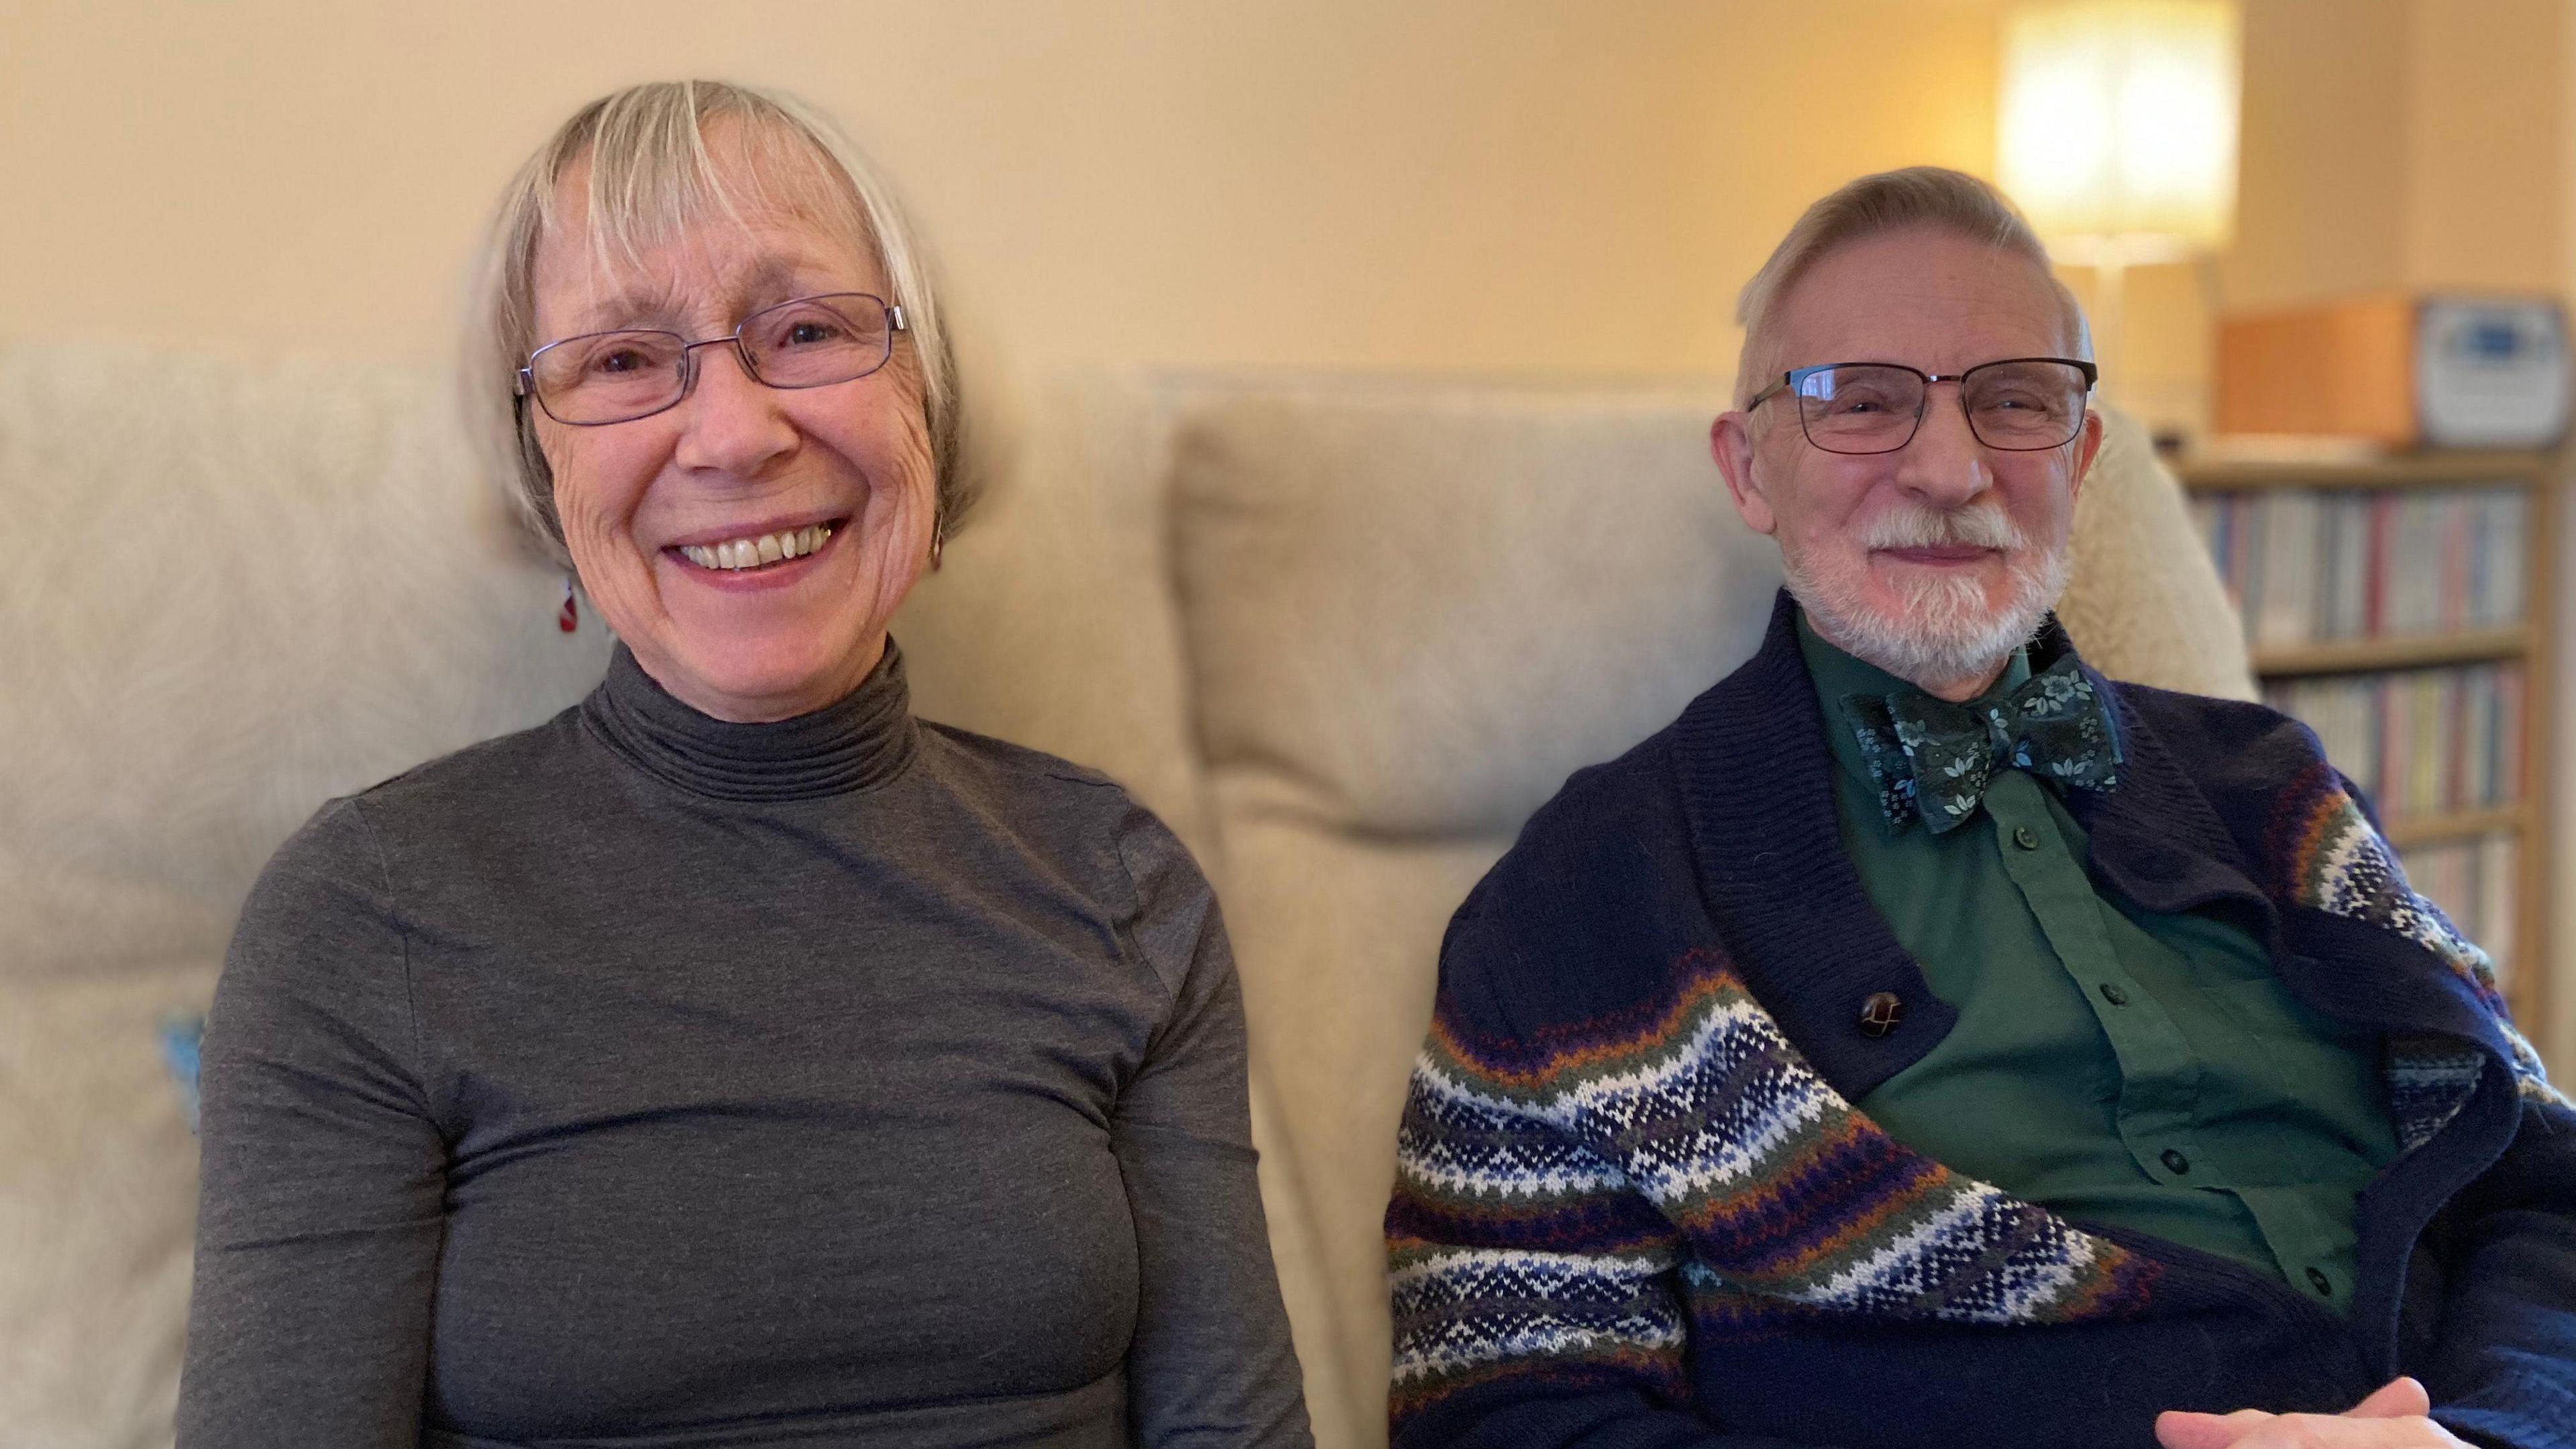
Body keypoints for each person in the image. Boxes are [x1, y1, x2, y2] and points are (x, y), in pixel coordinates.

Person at [178, 80, 1311, 1449]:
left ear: (929, 406)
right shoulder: (364, 918)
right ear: (543, 468)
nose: (731, 435)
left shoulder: (1117, 885)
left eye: (810, 330)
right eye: (618, 362)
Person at [1383, 167, 2574, 1449]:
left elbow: (2538, 1187)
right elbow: (1505, 1410)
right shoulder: (1594, 896)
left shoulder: (2275, 787)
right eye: (1862, 403)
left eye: (2015, 401)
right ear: (1750, 468)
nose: (1950, 468)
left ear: (2084, 453)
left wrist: (2489, 1434)